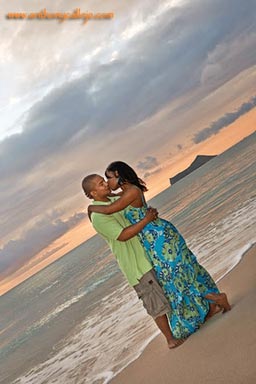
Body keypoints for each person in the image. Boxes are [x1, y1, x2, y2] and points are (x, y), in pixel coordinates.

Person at [88, 161, 231, 339]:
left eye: (108, 178)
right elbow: (112, 203)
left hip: (159, 239)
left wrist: (90, 208)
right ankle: (211, 305)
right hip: (153, 239)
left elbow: (109, 209)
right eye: (104, 181)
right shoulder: (125, 192)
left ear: (118, 175)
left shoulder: (130, 191)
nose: (107, 183)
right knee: (182, 273)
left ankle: (217, 299)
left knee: (177, 276)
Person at [82, 174, 185, 348]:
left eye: (104, 180)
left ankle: (183, 325)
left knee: (170, 292)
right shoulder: (98, 217)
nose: (106, 184)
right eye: (101, 184)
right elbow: (122, 235)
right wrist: (146, 220)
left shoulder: (110, 202)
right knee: (155, 303)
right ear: (92, 193)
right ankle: (170, 340)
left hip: (149, 256)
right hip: (137, 266)